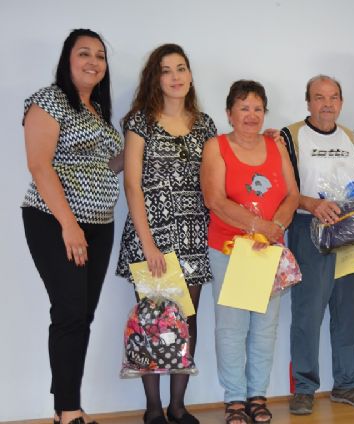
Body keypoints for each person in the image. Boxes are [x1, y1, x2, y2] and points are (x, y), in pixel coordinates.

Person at [21, 29, 123, 424]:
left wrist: (136, 145)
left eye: (100, 55)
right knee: (69, 313)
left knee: (82, 315)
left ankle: (68, 405)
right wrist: (69, 225)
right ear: (68, 59)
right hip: (55, 221)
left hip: (100, 224)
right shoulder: (49, 100)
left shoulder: (96, 109)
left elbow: (107, 163)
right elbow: (39, 165)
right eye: (85, 53)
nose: (93, 61)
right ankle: (67, 411)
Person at [115, 44, 216, 424]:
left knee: (185, 322)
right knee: (154, 321)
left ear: (190, 75)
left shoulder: (205, 124)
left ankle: (178, 405)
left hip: (193, 235)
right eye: (166, 70)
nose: (175, 76)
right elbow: (132, 185)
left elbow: (216, 175)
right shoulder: (139, 120)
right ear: (155, 78)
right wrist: (148, 244)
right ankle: (153, 408)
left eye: (181, 68)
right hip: (151, 235)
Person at [201, 80, 299, 424]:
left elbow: (292, 196)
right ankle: (235, 400)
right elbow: (214, 199)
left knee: (264, 327)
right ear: (229, 113)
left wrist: (276, 229)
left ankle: (257, 396)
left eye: (258, 108)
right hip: (231, 249)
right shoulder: (216, 146)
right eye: (243, 107)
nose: (251, 115)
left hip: (268, 250)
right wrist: (259, 227)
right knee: (231, 327)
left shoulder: (276, 146)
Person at [282, 75, 354, 415]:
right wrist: (312, 204)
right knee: (308, 312)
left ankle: (347, 385)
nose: (326, 104)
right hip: (311, 227)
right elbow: (285, 189)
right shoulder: (290, 135)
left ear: (341, 101)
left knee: (348, 312)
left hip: (350, 231)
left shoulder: (351, 137)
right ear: (308, 102)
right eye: (319, 97)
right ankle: (305, 388)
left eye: (333, 97)